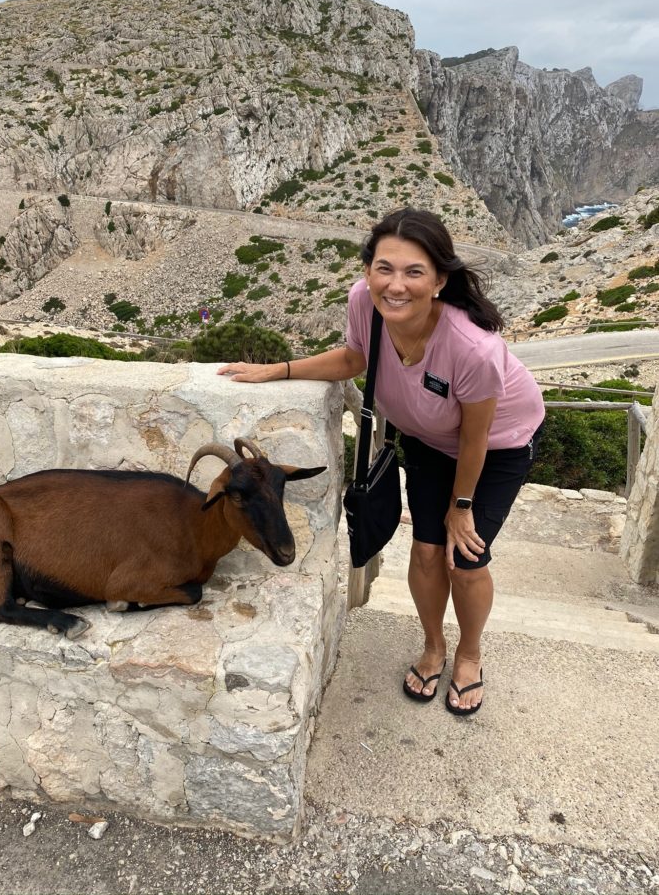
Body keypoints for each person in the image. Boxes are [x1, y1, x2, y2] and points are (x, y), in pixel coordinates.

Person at [218, 208, 545, 716]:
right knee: (426, 552)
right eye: (383, 268)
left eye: (414, 272)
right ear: (368, 270)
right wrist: (277, 370)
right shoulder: (364, 303)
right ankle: (433, 646)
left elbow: (478, 436)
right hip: (429, 443)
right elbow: (354, 358)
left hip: (496, 447)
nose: (396, 285)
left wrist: (461, 506)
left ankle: (469, 655)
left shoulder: (473, 349)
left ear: (440, 280)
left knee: (465, 556)